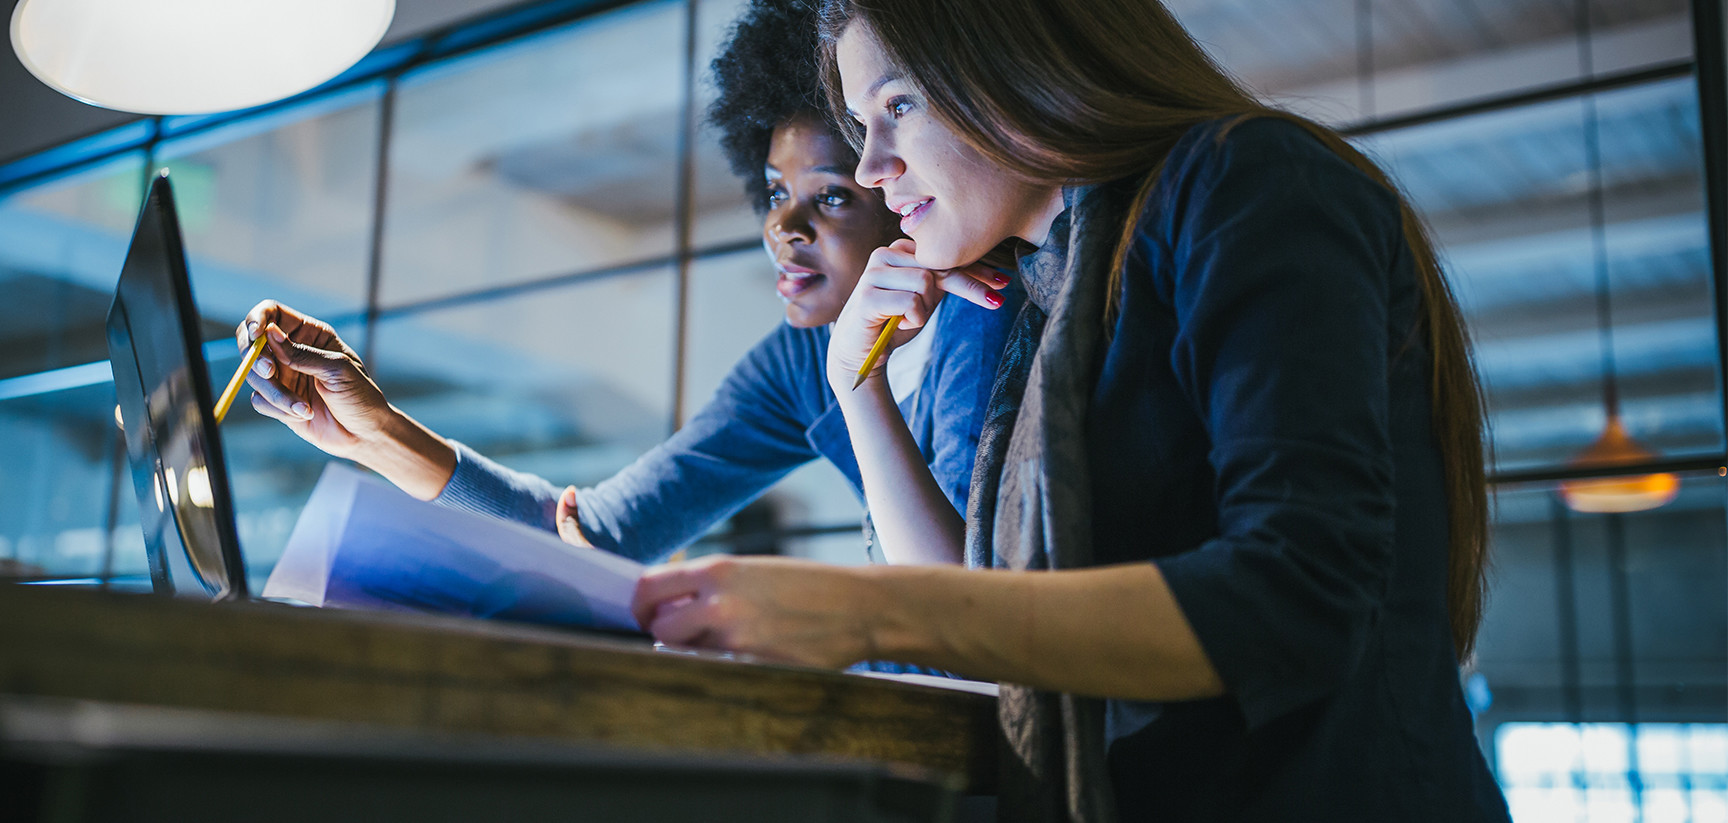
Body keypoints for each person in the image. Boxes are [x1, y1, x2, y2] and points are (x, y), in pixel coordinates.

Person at [628, 0, 1512, 820]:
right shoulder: (1046, 286)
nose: (870, 166)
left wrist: (870, 612)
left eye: (897, 107)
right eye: (862, 126)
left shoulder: (1245, 180)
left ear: (1011, 65)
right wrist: (856, 384)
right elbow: (985, 621)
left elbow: (1299, 595)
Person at [236, 0, 1017, 565]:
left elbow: (970, 606)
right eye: (776, 194)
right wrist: (373, 429)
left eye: (832, 194)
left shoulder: (990, 310)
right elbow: (596, 538)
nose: (784, 228)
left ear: (900, 191)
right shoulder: (800, 363)